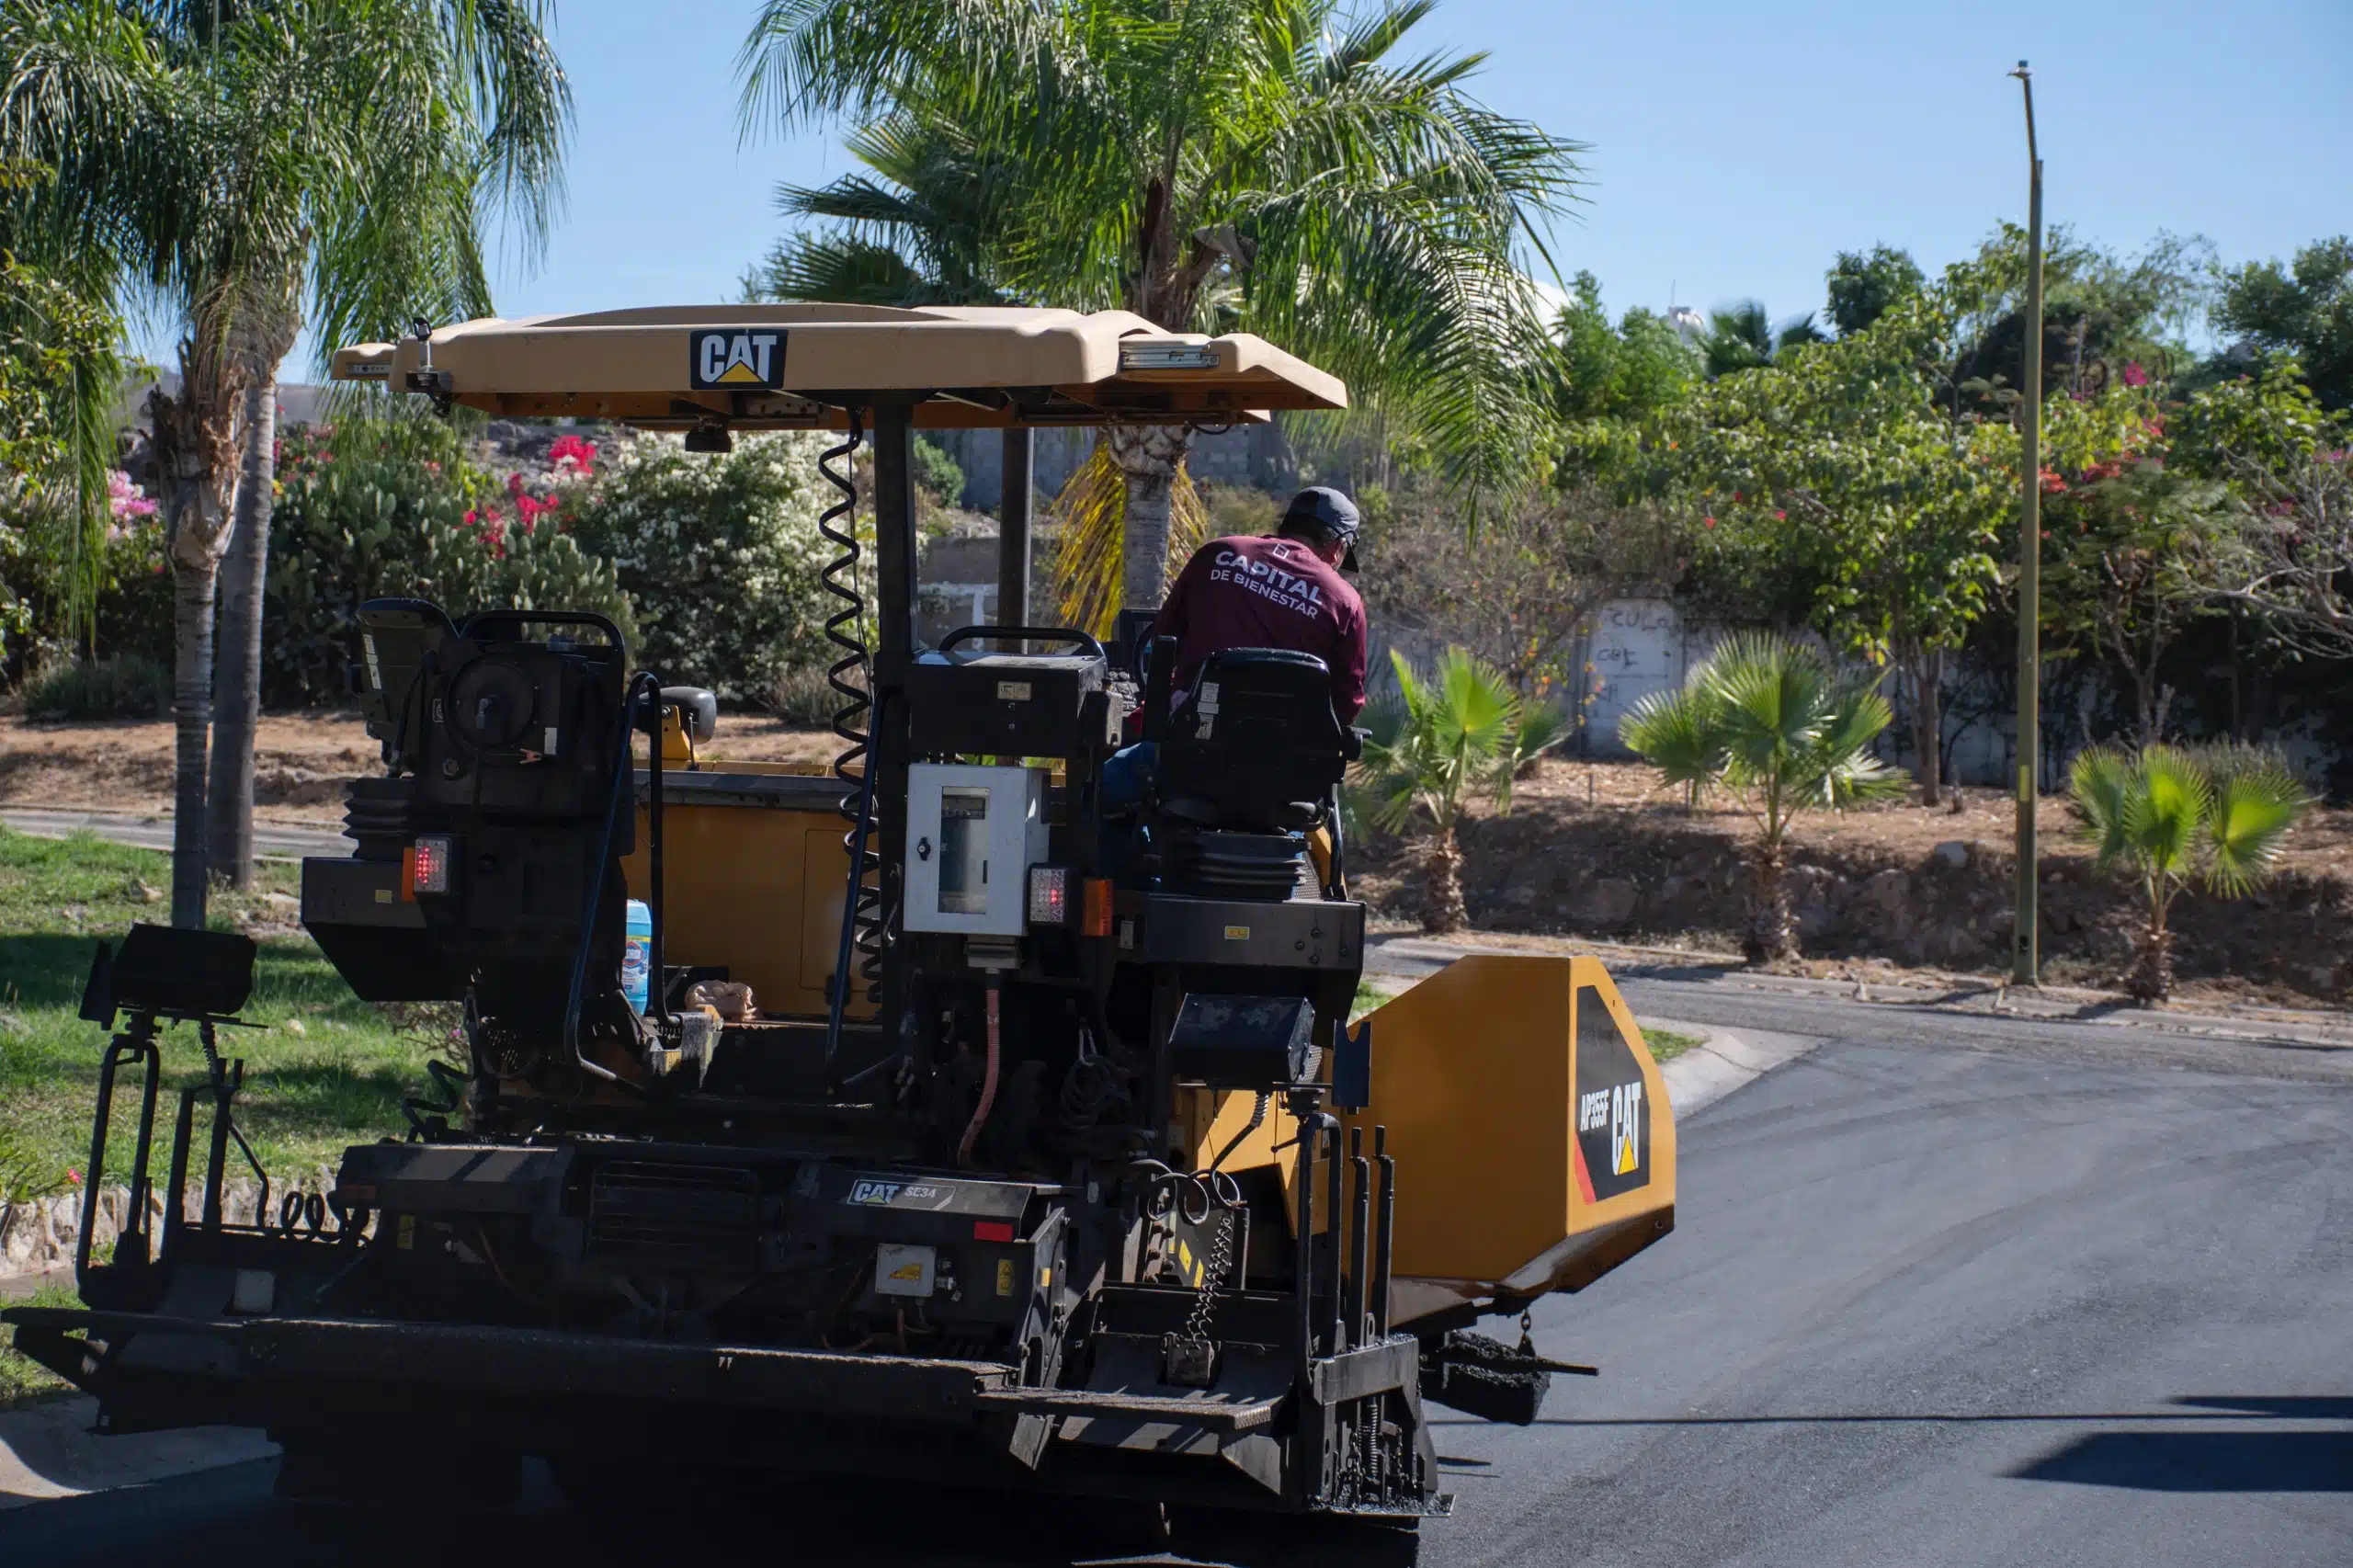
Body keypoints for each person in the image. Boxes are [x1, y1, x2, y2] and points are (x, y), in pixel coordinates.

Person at [1102, 486, 1368, 806]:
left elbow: (1163, 639)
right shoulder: (1345, 600)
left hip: (1188, 760)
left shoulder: (1219, 552)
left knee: (1094, 798)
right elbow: (1347, 704)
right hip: (1283, 782)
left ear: (1286, 525)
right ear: (1338, 547)